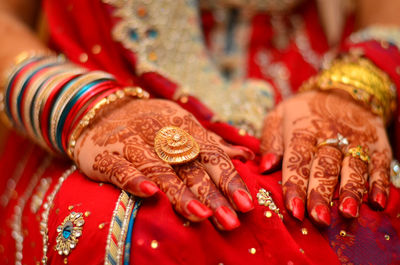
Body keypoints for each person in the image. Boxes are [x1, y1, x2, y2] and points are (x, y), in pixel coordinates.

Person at [0, 0, 399, 264]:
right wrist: (78, 104)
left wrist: (354, 89)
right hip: (96, 83)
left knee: (363, 212)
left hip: (310, 87)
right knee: (148, 229)